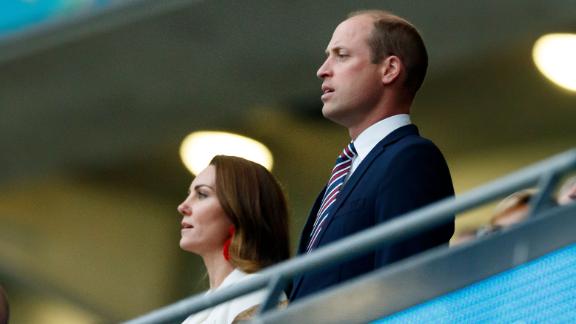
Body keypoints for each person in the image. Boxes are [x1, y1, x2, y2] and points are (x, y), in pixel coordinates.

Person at [290, 10, 454, 301]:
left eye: (341, 55)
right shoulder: (345, 174)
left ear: (389, 69)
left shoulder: (411, 159)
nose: (323, 70)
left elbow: (406, 288)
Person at [177, 155, 290, 323]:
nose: (182, 207)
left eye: (202, 194)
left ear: (240, 211)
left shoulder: (255, 292)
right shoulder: (199, 312)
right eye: (189, 194)